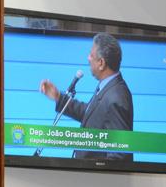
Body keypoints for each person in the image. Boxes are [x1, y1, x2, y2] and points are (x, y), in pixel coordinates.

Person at [39, 32, 134, 161]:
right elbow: (91, 114)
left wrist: (90, 171)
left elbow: (119, 156)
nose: (88, 58)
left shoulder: (116, 98)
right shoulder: (108, 86)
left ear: (101, 63)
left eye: (91, 55)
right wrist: (58, 97)